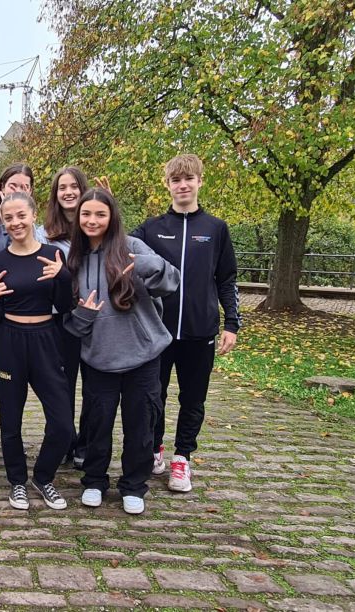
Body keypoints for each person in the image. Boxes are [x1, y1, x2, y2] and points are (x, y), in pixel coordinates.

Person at [65, 189, 180, 514]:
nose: (92, 220)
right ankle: (94, 481)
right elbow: (70, 323)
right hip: (98, 358)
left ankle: (133, 485)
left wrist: (147, 265)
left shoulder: (133, 247)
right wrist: (83, 316)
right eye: (86, 214)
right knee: (97, 423)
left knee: (141, 424)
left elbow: (171, 282)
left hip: (142, 355)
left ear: (112, 217)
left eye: (100, 214)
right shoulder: (74, 259)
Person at [131, 153, 240, 493]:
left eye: (188, 179)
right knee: (154, 396)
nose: (183, 185)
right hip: (158, 331)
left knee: (193, 398)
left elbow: (227, 279)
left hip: (200, 330)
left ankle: (183, 458)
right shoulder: (152, 228)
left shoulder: (215, 229)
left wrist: (232, 323)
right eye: (176, 180)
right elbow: (117, 243)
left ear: (199, 182)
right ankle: (155, 449)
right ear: (167, 185)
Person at [0, 191, 74, 511]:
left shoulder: (52, 254)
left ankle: (43, 477)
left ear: (34, 215)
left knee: (63, 423)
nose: (16, 222)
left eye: (21, 215)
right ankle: (17, 481)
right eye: (9, 218)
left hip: (46, 339)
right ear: (3, 223)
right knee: (10, 419)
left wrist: (63, 277)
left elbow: (65, 306)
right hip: (9, 340)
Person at [44, 166, 91, 467]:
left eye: (74, 186)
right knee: (62, 384)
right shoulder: (44, 233)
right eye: (62, 187)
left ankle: (86, 443)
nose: (69, 192)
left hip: (95, 315)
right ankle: (63, 438)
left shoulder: (95, 226)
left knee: (95, 385)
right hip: (60, 318)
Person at [0, 163, 46, 252]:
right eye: (13, 186)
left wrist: (5, 222)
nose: (17, 191)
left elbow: (34, 252)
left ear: (30, 192)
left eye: (24, 187)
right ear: (2, 187)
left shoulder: (33, 227)